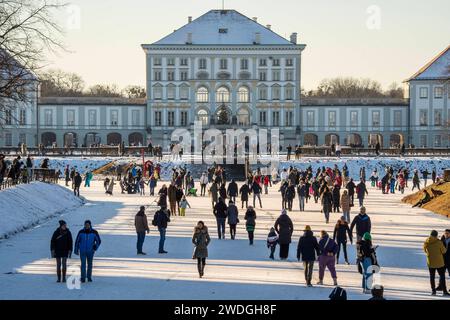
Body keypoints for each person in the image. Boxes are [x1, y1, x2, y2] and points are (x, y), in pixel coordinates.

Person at [423, 230, 448, 296]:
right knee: (442, 276)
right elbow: (444, 251)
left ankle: (433, 291)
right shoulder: (439, 242)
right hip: (439, 262)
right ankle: (444, 291)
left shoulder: (426, 242)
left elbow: (425, 250)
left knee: (432, 277)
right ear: (436, 235)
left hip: (430, 262)